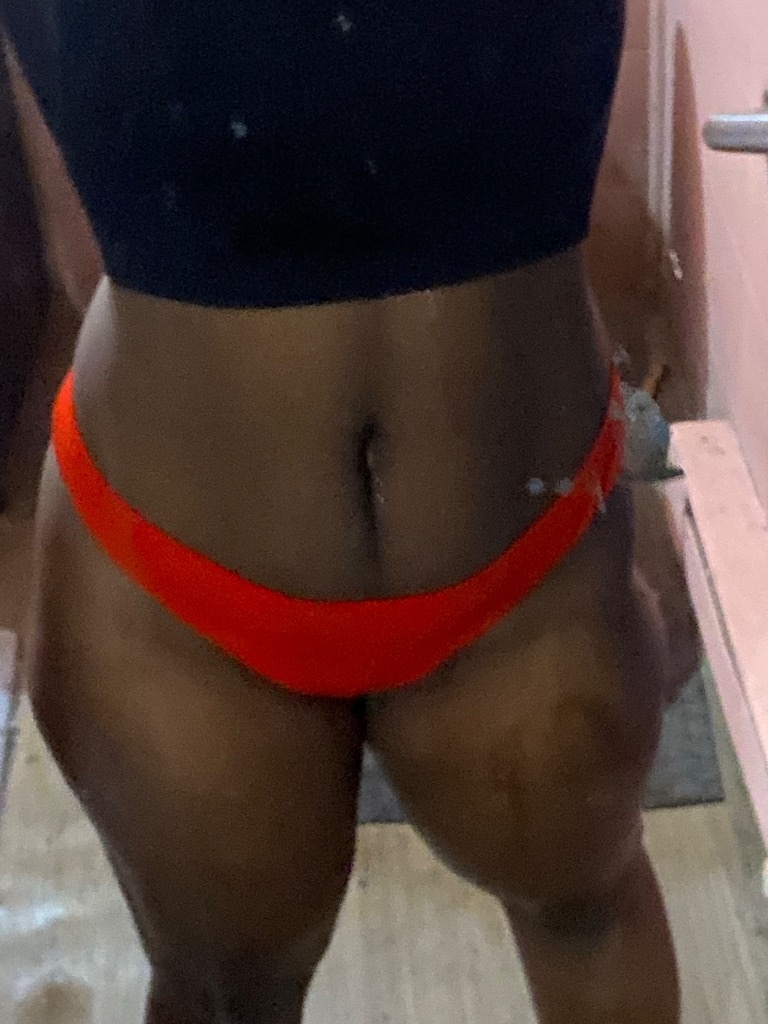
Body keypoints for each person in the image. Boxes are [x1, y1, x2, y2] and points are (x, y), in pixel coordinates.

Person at [2, 2, 700, 1021]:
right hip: (482, 526)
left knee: (229, 993)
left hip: (206, 532)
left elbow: (83, 247)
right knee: (582, 913)